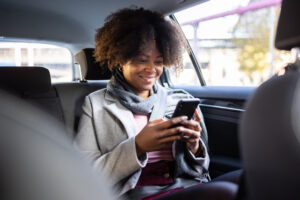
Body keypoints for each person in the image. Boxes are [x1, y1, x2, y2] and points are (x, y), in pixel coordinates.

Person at [75, 7, 210, 200]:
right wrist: (137, 146)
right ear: (120, 59)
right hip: (133, 193)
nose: (151, 69)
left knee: (234, 184)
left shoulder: (179, 99)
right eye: (141, 60)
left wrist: (194, 146)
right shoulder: (95, 104)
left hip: (183, 186)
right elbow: (85, 175)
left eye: (158, 61)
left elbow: (201, 170)